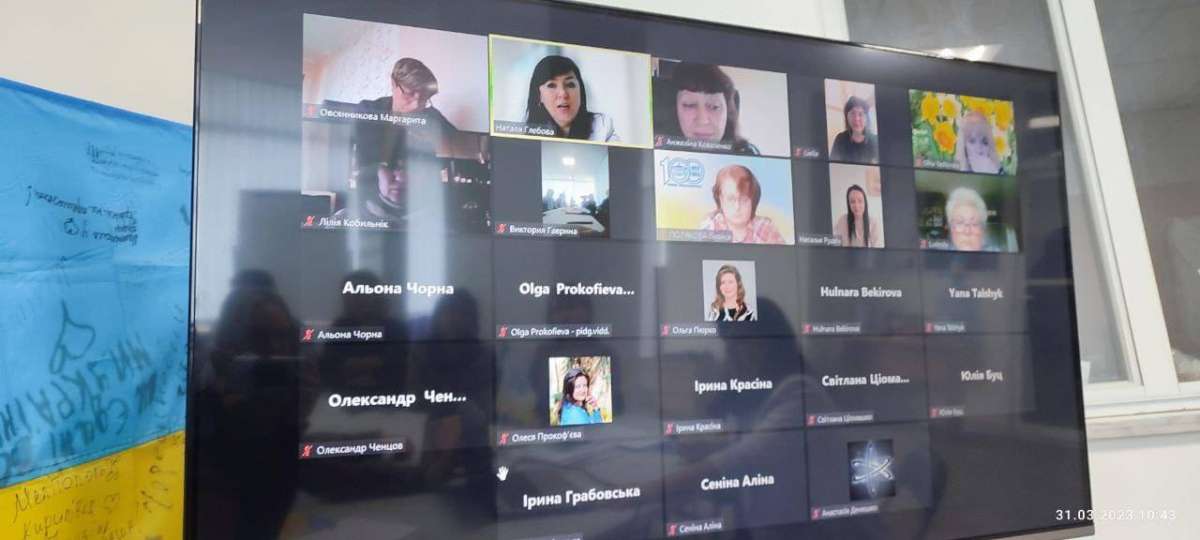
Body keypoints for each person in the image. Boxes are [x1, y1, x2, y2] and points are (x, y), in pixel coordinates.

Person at [333, 126, 441, 225]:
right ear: (375, 169)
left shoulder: (439, 222)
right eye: (391, 166)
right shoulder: (344, 220)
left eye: (411, 168)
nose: (400, 178)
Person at [358, 58, 458, 151]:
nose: (416, 105)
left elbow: (462, 151)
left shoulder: (434, 118)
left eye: (424, 98)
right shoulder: (367, 112)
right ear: (393, 84)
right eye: (410, 94)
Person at [664, 62, 759, 155]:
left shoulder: (748, 154)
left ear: (728, 112)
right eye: (690, 105)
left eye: (714, 107)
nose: (703, 120)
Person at [525, 55, 618, 142]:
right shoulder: (526, 135)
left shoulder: (602, 126)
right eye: (552, 85)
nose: (563, 93)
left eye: (570, 84)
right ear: (539, 95)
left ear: (580, 91)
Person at [699, 165, 786, 244]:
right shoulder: (710, 227)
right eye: (731, 199)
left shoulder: (765, 227)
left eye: (744, 200)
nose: (737, 207)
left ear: (753, 200)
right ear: (721, 200)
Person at [944, 187, 998, 251]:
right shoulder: (940, 255)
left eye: (974, 224)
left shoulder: (996, 254)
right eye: (960, 223)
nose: (967, 231)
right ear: (951, 228)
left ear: (982, 230)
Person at [829, 95, 879, 163]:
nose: (856, 119)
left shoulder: (876, 140)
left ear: (867, 118)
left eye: (860, 114)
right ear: (847, 117)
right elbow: (833, 165)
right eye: (852, 113)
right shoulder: (840, 139)